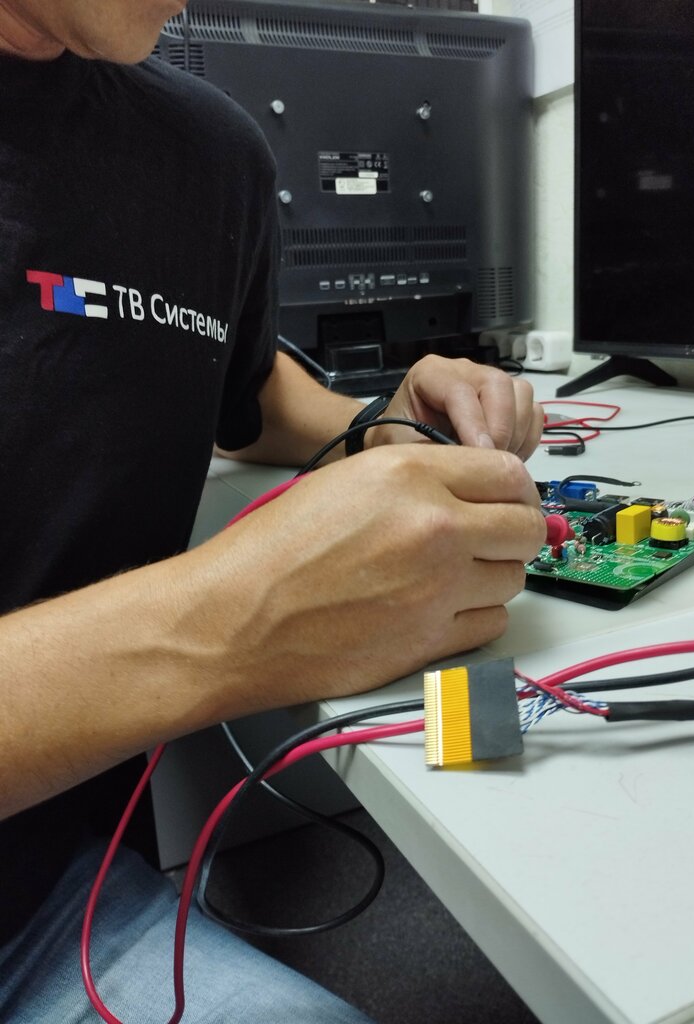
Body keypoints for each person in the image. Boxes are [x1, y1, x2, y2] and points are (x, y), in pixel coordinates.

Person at [0, 1, 546, 1021]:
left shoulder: (206, 151)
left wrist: (383, 424)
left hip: (50, 901)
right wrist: (231, 623)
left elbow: (241, 390)